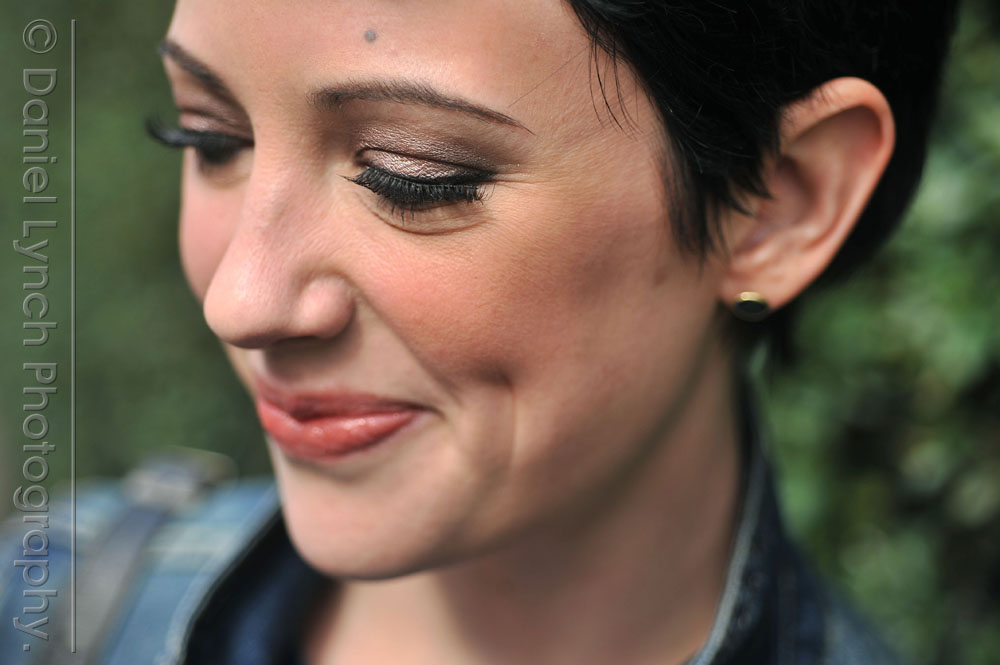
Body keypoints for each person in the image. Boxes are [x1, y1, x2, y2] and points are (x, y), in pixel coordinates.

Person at [0, 1, 960, 664]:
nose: (242, 301)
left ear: (781, 203)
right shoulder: (50, 600)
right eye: (210, 140)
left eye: (411, 175)